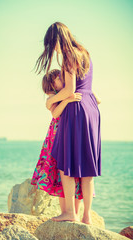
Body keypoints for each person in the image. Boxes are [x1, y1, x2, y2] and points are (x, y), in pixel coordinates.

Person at [35, 22, 101, 224]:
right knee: (87, 167)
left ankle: (70, 213)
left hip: (76, 110)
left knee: (66, 164)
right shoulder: (84, 52)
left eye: (52, 44)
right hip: (91, 108)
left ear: (57, 39)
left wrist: (50, 100)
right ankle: (87, 217)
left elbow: (70, 90)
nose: (53, 49)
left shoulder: (69, 55)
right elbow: (86, 87)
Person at [31, 69, 87, 219]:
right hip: (57, 137)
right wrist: (67, 99)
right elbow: (55, 113)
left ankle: (74, 212)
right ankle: (66, 212)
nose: (62, 79)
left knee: (75, 176)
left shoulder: (70, 90)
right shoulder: (54, 97)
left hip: (72, 134)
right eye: (58, 78)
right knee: (59, 174)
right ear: (51, 84)